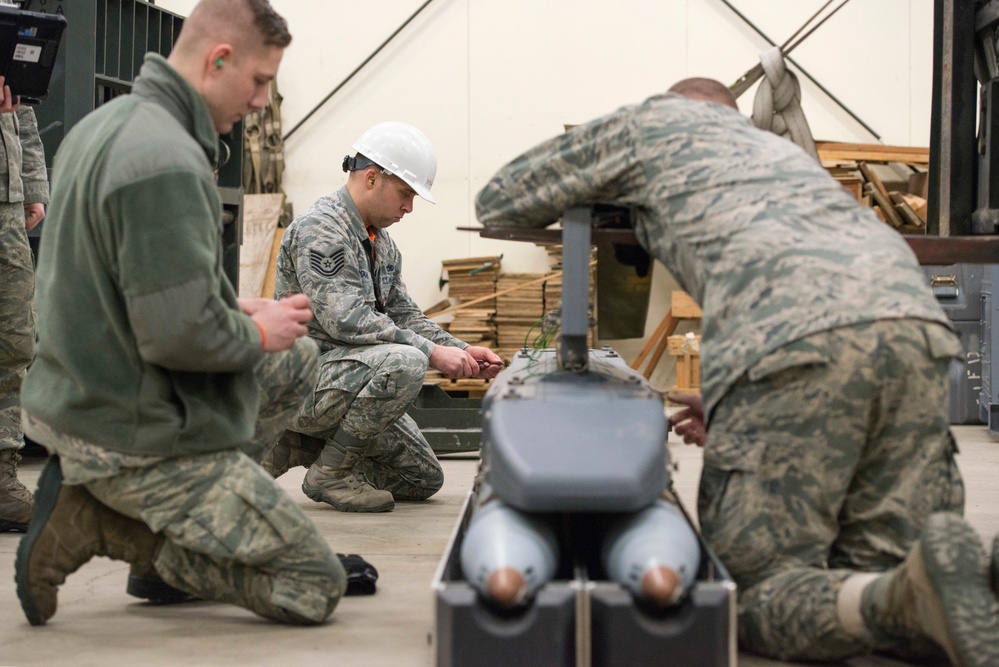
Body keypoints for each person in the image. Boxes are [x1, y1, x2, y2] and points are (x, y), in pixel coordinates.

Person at [475, 77, 999, 665]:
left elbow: (501, 197)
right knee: (895, 574)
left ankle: (895, 599)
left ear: (673, 105)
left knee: (743, 597)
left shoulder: (649, 125)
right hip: (916, 327)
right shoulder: (780, 155)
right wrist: (735, 401)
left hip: (794, 339)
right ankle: (956, 586)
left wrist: (610, 187)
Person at [15, 0, 348, 627]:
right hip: (125, 432)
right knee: (313, 584)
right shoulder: (164, 158)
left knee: (297, 359)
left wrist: (232, 308)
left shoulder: (107, 125)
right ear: (218, 60)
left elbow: (126, 288)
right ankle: (119, 528)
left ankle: (159, 524)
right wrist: (251, 328)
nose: (259, 102)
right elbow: (177, 335)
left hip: (91, 391)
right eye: (257, 82)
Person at [264, 121, 503, 513]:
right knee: (406, 361)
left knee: (423, 478)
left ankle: (305, 445)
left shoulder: (381, 243)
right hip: (304, 382)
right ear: (372, 177)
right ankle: (333, 472)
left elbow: (405, 315)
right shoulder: (321, 230)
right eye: (406, 193)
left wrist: (460, 350)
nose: (409, 207)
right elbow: (348, 319)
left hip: (345, 381)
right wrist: (430, 354)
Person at [0, 72, 47, 533]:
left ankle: (1, 479)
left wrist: (32, 186)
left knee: (14, 341)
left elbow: (24, 110)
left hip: (7, 207)